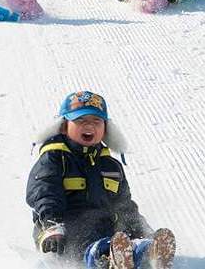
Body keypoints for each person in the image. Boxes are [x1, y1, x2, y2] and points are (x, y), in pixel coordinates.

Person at [27, 91, 176, 269]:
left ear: (106, 129)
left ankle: (147, 252)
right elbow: (44, 191)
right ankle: (106, 260)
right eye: (81, 120)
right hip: (64, 232)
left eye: (96, 121)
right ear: (63, 126)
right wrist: (51, 224)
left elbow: (124, 205)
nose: (89, 125)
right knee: (92, 241)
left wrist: (142, 231)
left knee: (124, 235)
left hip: (107, 230)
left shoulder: (111, 166)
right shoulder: (55, 158)